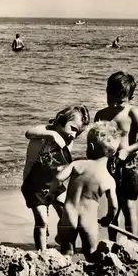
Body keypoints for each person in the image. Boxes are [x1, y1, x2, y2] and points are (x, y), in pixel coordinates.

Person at [21, 105, 90, 251]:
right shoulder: (44, 130)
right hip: (34, 186)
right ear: (60, 120)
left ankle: (61, 236)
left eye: (78, 133)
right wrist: (52, 135)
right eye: (73, 128)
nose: (73, 135)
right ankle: (42, 253)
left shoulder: (68, 142)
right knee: (41, 221)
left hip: (54, 184)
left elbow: (61, 166)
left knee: (69, 213)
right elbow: (28, 133)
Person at [51, 121, 121, 260]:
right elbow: (114, 206)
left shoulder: (77, 164)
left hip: (68, 216)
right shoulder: (108, 179)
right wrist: (108, 219)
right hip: (89, 220)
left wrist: (52, 194)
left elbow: (58, 179)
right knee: (90, 252)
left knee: (66, 252)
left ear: (91, 146)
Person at [94, 71, 138, 241]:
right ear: (106, 92)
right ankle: (113, 243)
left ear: (130, 98)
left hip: (131, 164)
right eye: (111, 99)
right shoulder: (101, 114)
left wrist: (127, 150)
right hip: (110, 164)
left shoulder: (132, 113)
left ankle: (131, 243)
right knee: (114, 206)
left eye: (121, 101)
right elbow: (97, 142)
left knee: (128, 205)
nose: (115, 104)